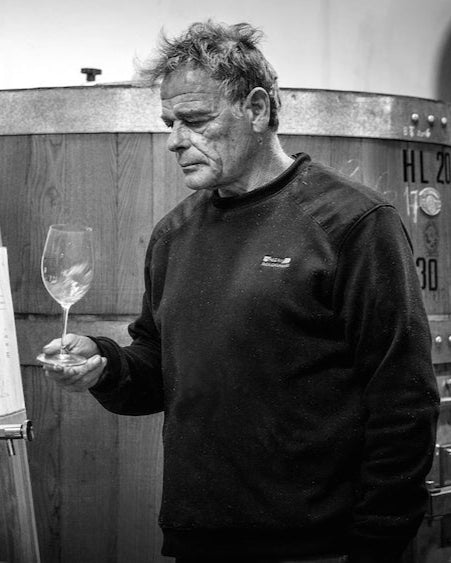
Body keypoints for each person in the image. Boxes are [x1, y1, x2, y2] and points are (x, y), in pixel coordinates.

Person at [41, 20, 440, 563]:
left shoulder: (353, 223)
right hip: (197, 538)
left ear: (256, 109)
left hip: (320, 546)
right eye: (170, 123)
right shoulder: (174, 233)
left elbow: (403, 400)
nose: (176, 140)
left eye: (196, 121)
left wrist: (379, 541)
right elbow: (158, 369)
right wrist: (105, 366)